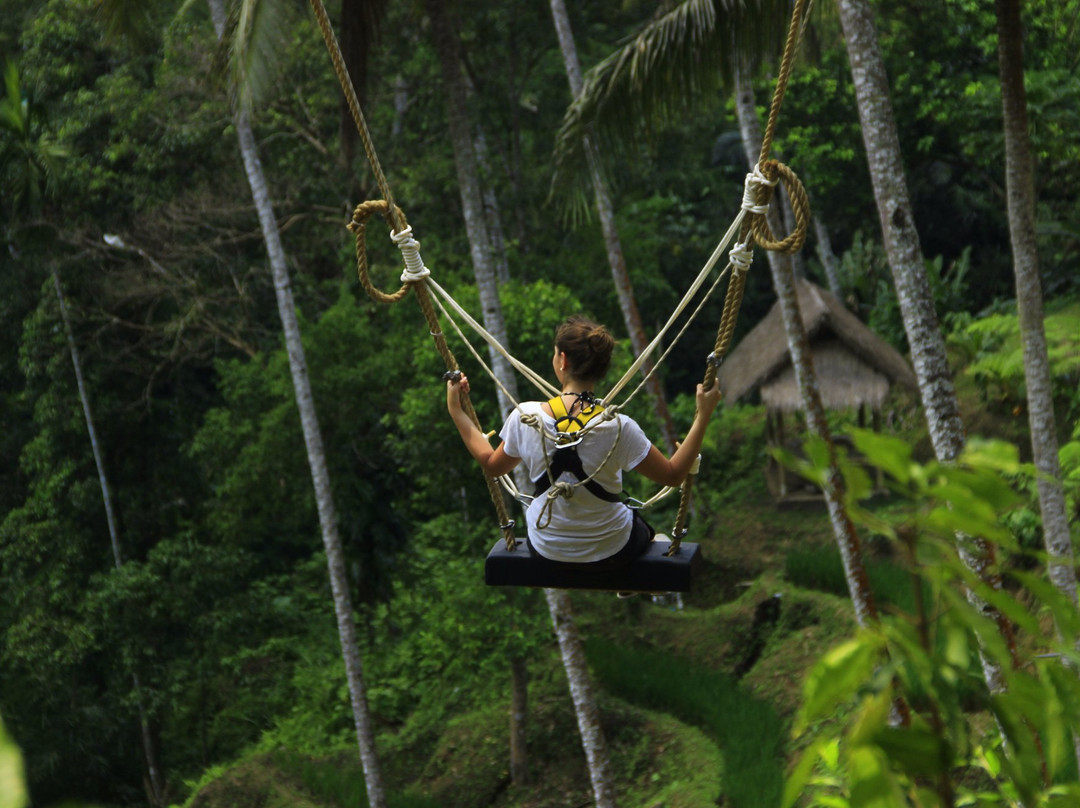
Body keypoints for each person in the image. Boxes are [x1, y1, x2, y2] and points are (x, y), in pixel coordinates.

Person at [446, 315, 722, 571]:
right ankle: (632, 576)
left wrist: (456, 410)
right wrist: (704, 415)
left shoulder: (526, 417)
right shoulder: (618, 426)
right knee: (647, 534)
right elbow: (673, 475)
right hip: (613, 548)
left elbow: (492, 465)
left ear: (562, 361)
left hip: (547, 547)